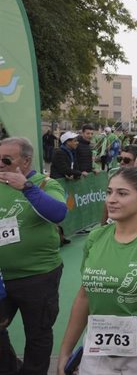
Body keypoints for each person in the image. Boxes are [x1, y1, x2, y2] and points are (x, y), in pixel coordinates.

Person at [57, 167, 137, 375]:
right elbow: (84, 297)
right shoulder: (95, 238)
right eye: (109, 192)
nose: (112, 199)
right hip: (97, 350)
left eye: (122, 193)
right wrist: (65, 351)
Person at [0, 137, 68, 374]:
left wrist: (26, 188)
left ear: (26, 161)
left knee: (37, 334)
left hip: (38, 276)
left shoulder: (45, 184)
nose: (0, 164)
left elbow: (59, 213)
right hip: (2, 277)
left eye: (6, 160)